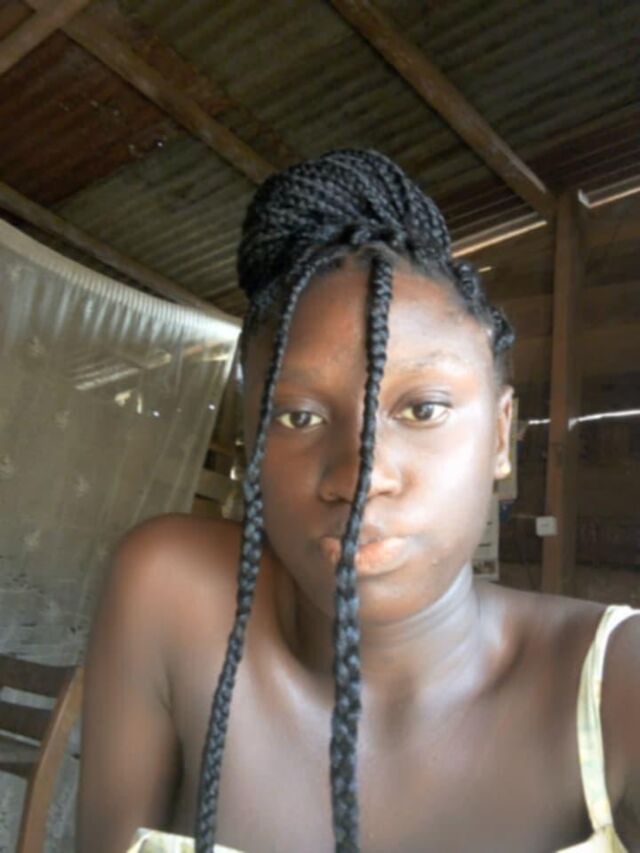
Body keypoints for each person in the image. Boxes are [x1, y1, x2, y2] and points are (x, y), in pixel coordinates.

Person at [77, 150, 640, 853]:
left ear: (500, 435)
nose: (361, 472)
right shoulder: (171, 592)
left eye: (422, 409)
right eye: (298, 416)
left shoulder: (619, 685)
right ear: (252, 437)